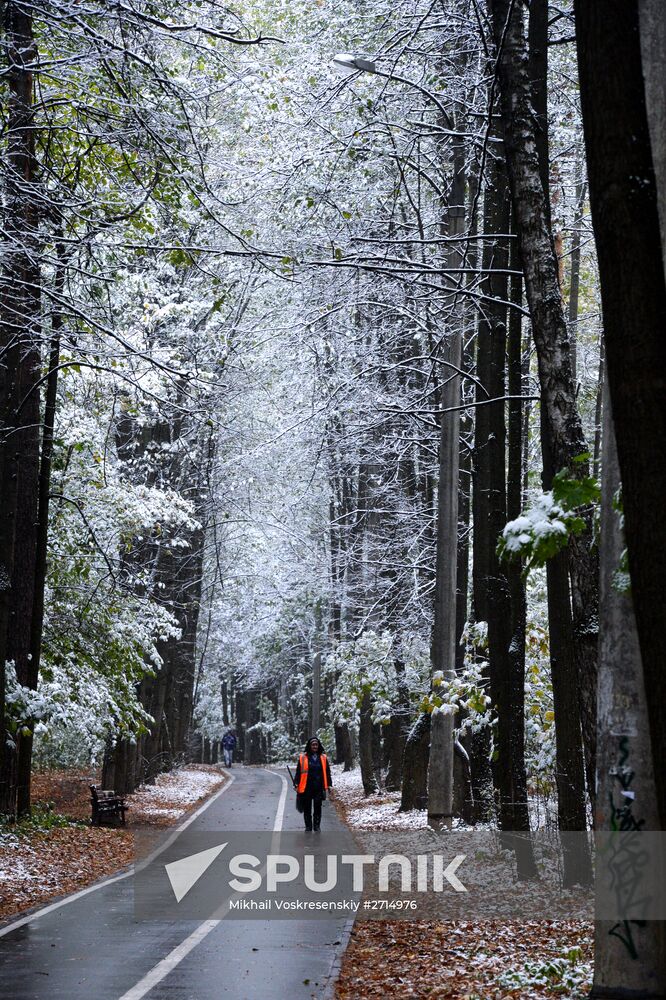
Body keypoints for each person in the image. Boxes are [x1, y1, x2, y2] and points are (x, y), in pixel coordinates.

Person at [293, 737, 332, 832]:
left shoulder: (323, 757)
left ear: (318, 746)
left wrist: (329, 785)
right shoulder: (303, 757)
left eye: (316, 745)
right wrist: (296, 783)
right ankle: (308, 826)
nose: (315, 746)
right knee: (307, 808)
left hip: (318, 787)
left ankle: (317, 826)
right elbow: (298, 771)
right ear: (309, 746)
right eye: (313, 745)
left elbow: (327, 772)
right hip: (306, 787)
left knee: (318, 807)